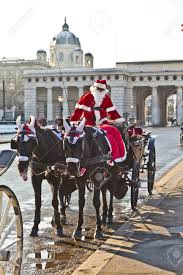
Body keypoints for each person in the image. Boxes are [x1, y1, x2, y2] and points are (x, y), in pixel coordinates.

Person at [70, 79, 126, 165]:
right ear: (94, 88)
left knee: (114, 131)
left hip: (103, 122)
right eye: (98, 89)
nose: (99, 91)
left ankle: (116, 156)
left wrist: (119, 119)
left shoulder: (106, 98)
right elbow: (78, 111)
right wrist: (74, 121)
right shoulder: (87, 96)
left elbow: (112, 111)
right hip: (88, 123)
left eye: (101, 90)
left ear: (104, 90)